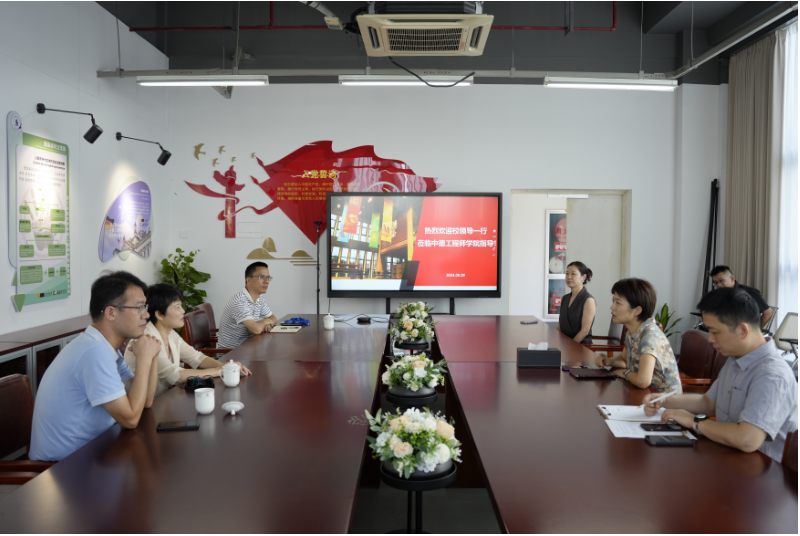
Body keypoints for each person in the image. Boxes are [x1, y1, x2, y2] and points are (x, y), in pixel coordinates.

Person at [643, 288, 797, 461]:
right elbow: (708, 403)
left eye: (715, 332)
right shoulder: (735, 358)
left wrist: (693, 421)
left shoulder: (772, 374)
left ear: (743, 330)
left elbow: (748, 440)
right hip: (729, 455)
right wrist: (665, 401)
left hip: (762, 469)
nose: (710, 339)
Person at [30, 271, 161, 461]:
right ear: (111, 313)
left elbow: (146, 401)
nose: (146, 314)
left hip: (94, 453)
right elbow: (131, 419)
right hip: (63, 466)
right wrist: (144, 359)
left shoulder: (103, 348)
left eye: (145, 307)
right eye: (139, 307)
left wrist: (152, 354)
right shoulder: (94, 352)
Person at [124, 283, 252, 397]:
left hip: (166, 400)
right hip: (146, 407)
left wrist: (227, 366)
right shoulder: (147, 339)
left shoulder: (170, 333)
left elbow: (196, 357)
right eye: (177, 307)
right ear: (159, 314)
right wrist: (220, 370)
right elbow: (176, 376)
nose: (183, 311)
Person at [595, 278, 682, 393]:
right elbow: (624, 359)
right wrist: (608, 361)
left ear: (637, 310)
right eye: (613, 301)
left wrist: (625, 372)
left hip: (663, 399)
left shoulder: (649, 336)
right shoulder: (633, 331)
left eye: (618, 303)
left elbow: (642, 381)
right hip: (646, 394)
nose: (612, 307)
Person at [217, 262, 278, 349]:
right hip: (232, 353)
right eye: (261, 277)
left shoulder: (259, 298)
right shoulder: (239, 301)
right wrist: (265, 322)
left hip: (250, 348)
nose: (267, 281)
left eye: (268, 277)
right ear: (248, 280)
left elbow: (273, 318)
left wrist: (266, 322)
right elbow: (256, 329)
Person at [557, 261, 596, 344]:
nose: (569, 277)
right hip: (565, 344)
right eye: (567, 274)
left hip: (581, 346)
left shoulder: (589, 300)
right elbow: (560, 326)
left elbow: (585, 331)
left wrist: (569, 347)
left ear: (583, 277)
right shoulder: (565, 298)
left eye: (573, 274)